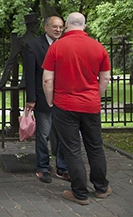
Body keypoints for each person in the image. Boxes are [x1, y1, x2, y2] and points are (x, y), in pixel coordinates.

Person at [42, 12, 112, 205]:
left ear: (66, 25)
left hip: (65, 105)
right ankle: (101, 187)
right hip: (91, 104)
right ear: (84, 25)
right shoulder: (98, 47)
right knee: (95, 146)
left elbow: (47, 79)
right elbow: (105, 77)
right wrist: (95, 95)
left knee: (72, 149)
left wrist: (50, 101)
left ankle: (80, 193)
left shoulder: (57, 47)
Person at [25, 16, 70, 183]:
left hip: (63, 98)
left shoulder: (66, 44)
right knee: (43, 134)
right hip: (42, 98)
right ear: (46, 28)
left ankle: (62, 168)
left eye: (60, 27)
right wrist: (31, 98)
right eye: (54, 27)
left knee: (62, 134)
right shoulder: (34, 46)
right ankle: (43, 167)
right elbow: (29, 74)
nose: (58, 30)